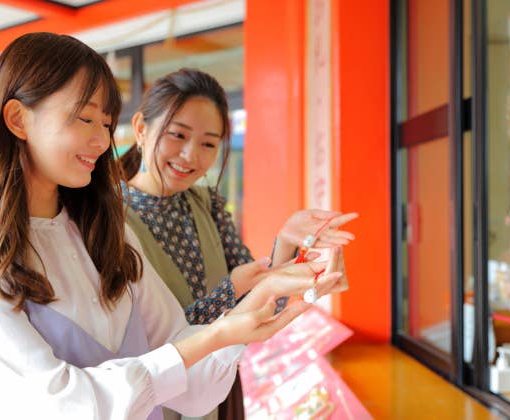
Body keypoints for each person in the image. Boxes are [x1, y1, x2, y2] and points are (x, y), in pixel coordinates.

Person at [0, 33, 344, 420]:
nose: (102, 141)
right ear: (17, 119)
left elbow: (193, 384)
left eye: (106, 124)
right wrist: (217, 331)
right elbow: (56, 404)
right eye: (85, 120)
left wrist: (266, 294)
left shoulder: (107, 233)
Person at [119, 68, 358, 419]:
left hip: (218, 389)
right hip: (151, 400)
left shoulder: (209, 205)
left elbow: (262, 306)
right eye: (178, 135)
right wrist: (231, 293)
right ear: (141, 128)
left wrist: (289, 240)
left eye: (208, 143)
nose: (190, 155)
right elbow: (145, 338)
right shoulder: (107, 218)